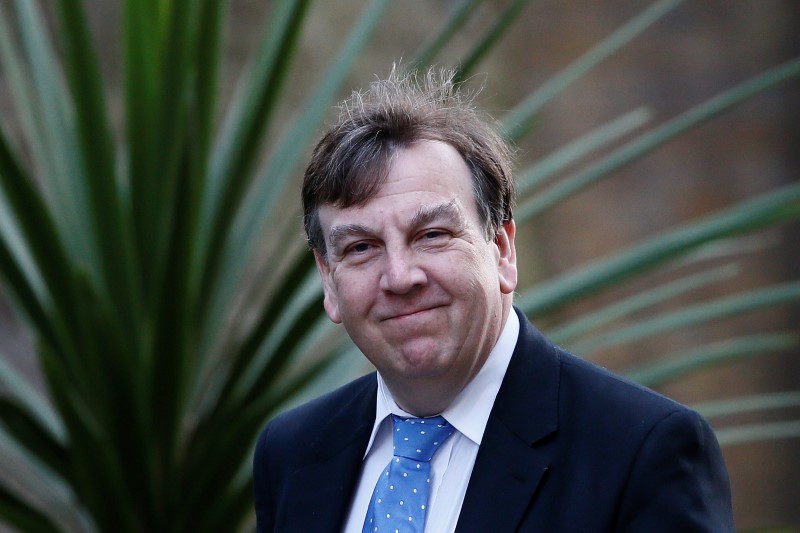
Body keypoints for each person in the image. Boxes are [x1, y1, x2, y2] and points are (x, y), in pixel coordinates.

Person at [252, 67, 734, 532]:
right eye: (361, 247)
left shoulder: (640, 450)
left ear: (502, 249)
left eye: (432, 234)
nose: (400, 277)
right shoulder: (292, 452)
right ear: (329, 281)